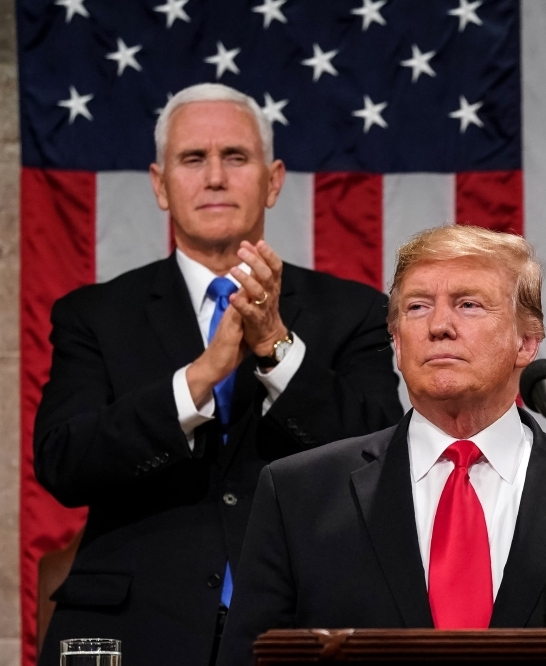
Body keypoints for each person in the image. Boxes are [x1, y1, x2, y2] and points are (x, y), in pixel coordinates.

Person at [35, 83, 403, 666]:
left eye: (235, 157)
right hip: (135, 631)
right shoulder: (95, 315)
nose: (214, 177)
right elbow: (63, 464)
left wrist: (277, 348)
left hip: (302, 627)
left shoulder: (352, 311)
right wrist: (199, 378)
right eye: (192, 159)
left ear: (273, 180)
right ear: (160, 185)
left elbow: (385, 460)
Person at [216, 225, 546, 664]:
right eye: (417, 307)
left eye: (468, 304)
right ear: (398, 344)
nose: (439, 325)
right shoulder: (299, 494)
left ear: (526, 343)